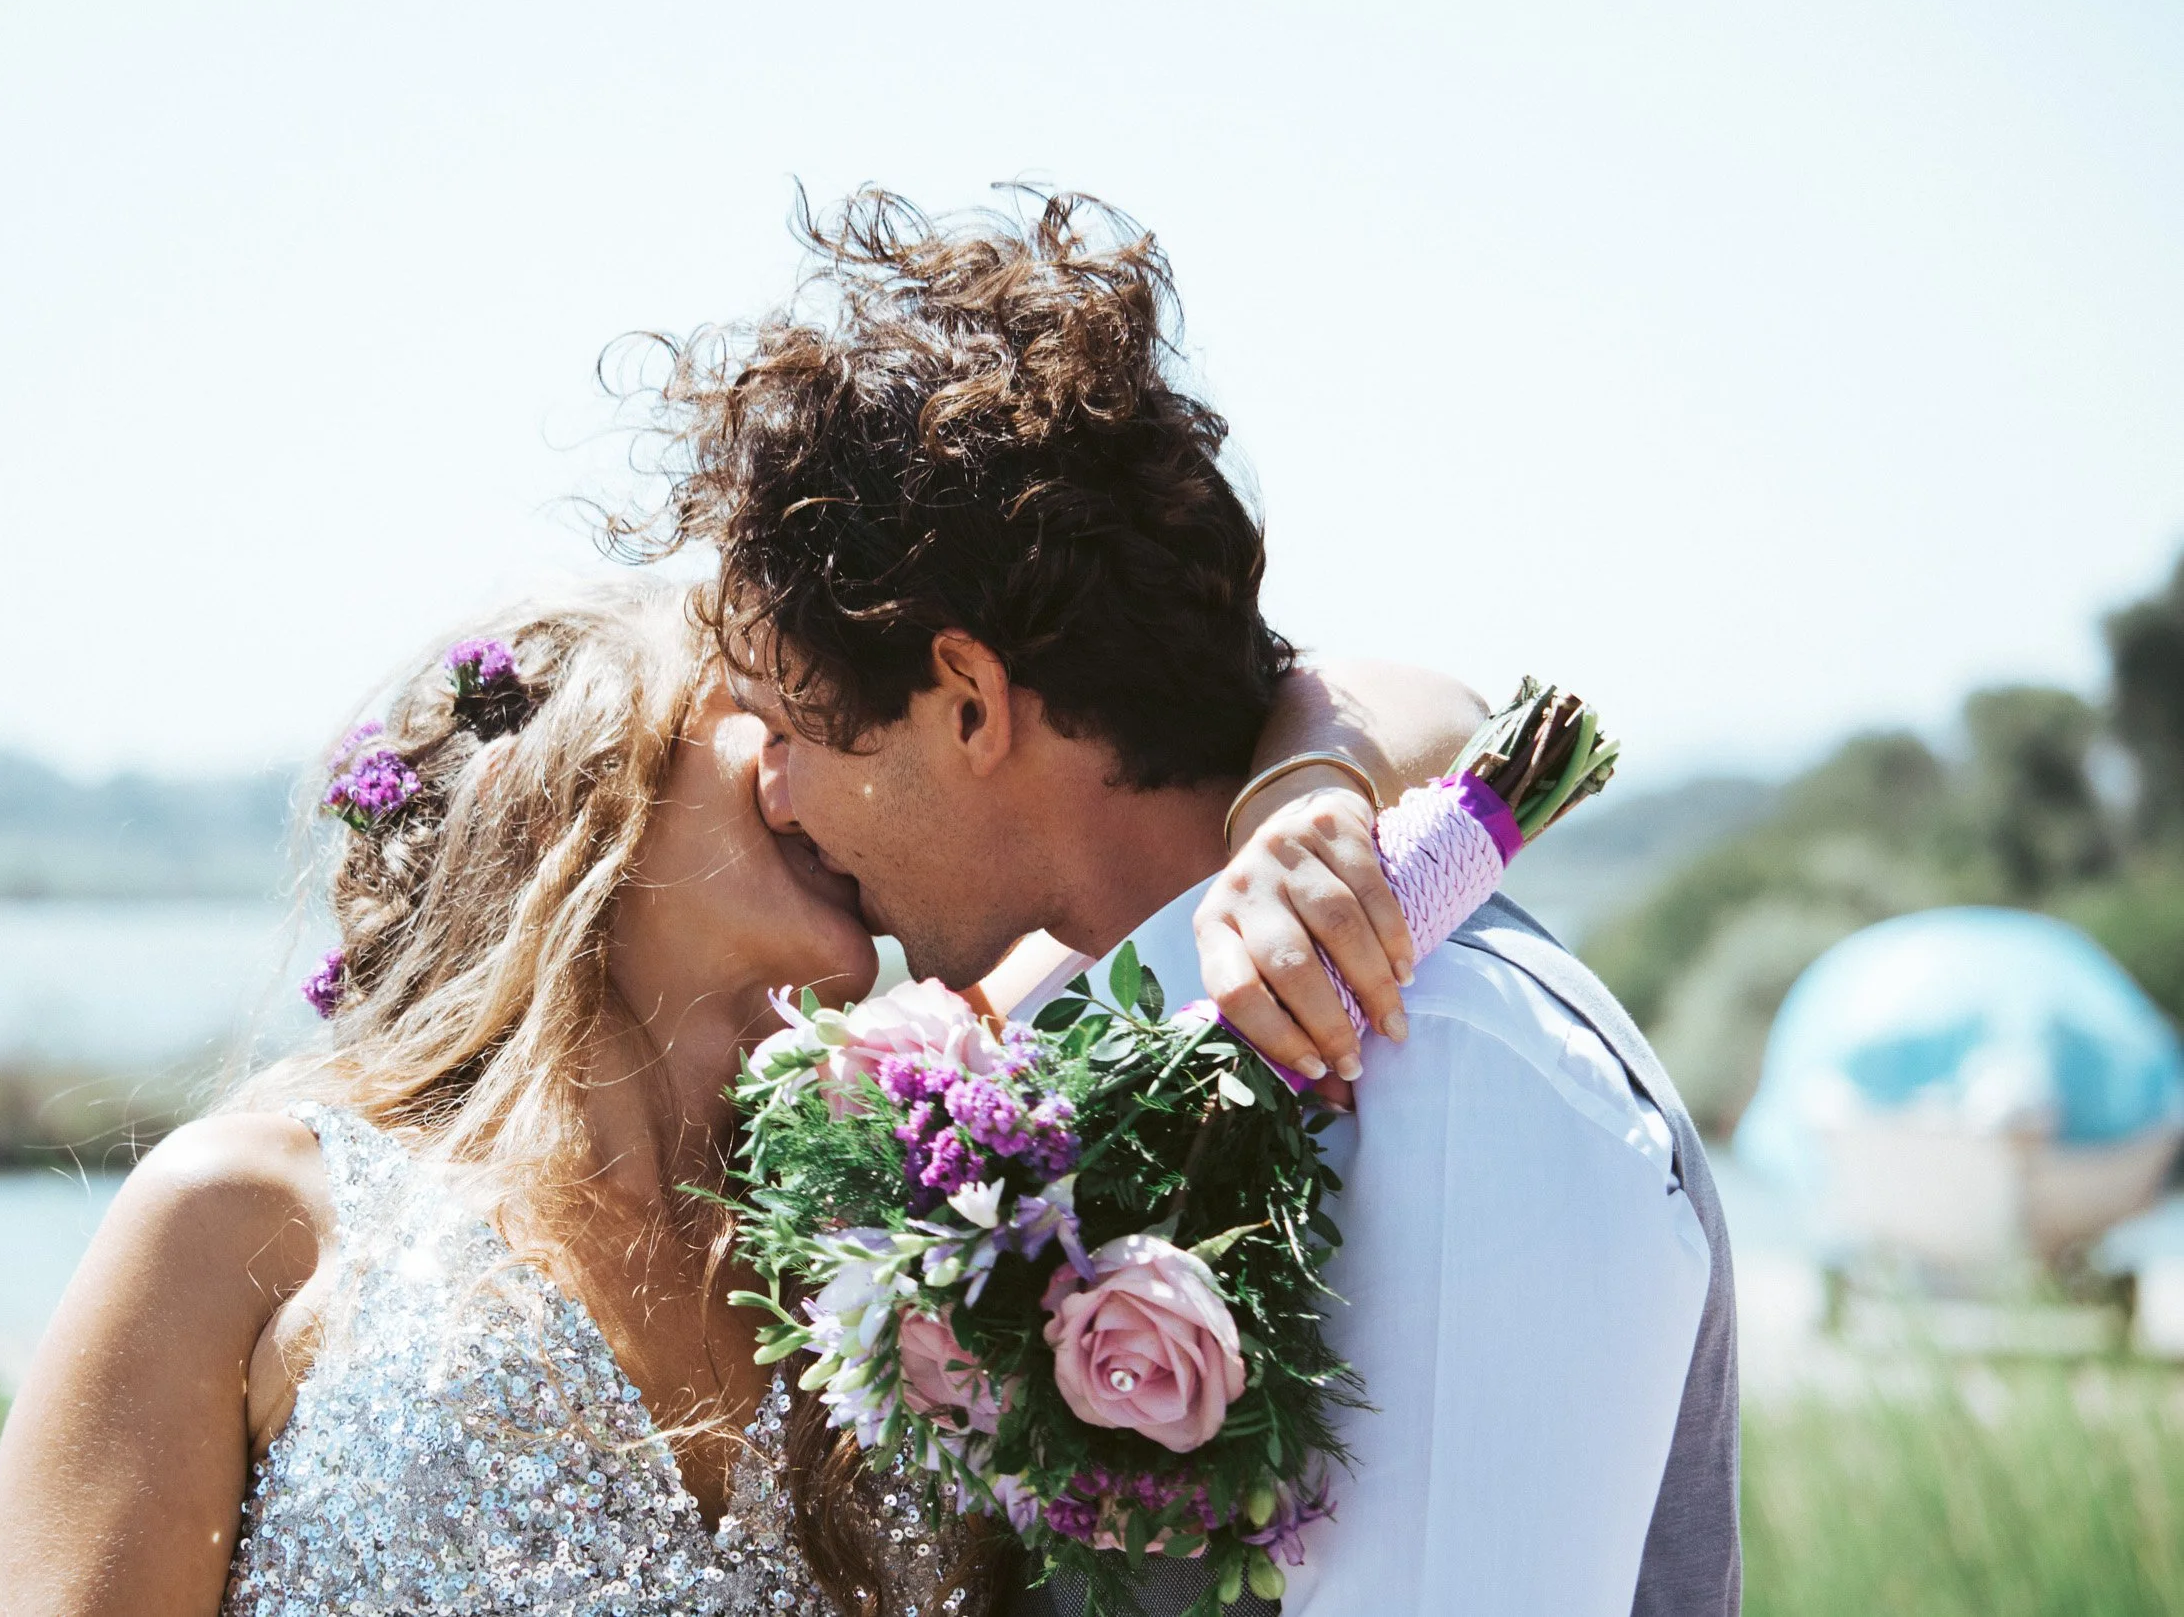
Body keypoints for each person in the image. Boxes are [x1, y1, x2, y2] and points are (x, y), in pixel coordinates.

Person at [633, 188, 1740, 1616]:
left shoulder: (1449, 1058)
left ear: (968, 702)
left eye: (798, 729)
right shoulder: (1089, 1051)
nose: (776, 793)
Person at [0, 580, 1445, 1616]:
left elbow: (1428, 702)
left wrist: (1303, 795)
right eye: (769, 709)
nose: (825, 760)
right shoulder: (250, 1214)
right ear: (582, 772)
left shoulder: (904, 1234)